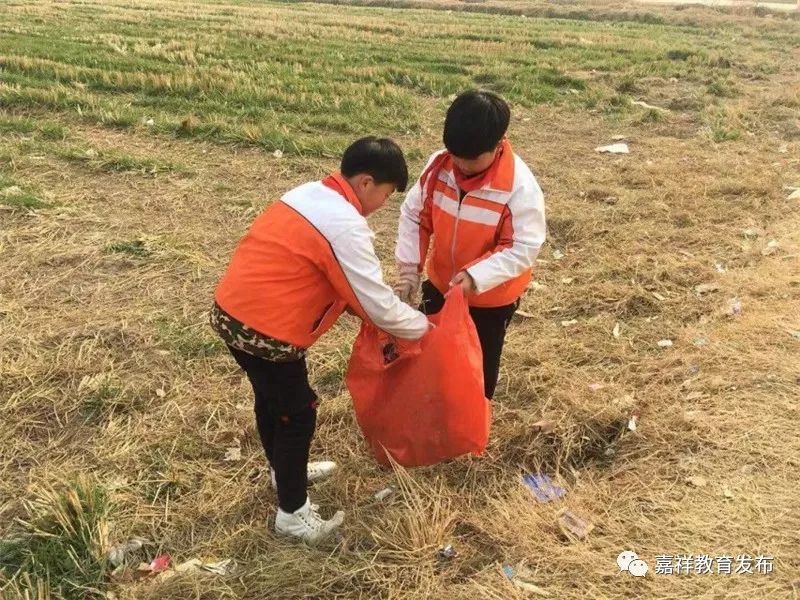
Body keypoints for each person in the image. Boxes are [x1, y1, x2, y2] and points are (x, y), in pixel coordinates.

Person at [211, 137, 429, 544]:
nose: (382, 205)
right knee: (298, 412)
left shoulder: (307, 194)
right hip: (267, 332)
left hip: (232, 313)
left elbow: (334, 281)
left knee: (271, 399)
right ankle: (292, 513)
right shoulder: (344, 223)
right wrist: (425, 330)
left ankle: (283, 471)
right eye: (385, 194)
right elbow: (375, 304)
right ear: (366, 182)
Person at [394, 90, 546, 400]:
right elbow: (415, 215)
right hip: (440, 285)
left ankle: (469, 427)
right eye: (455, 155)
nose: (461, 166)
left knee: (477, 367)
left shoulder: (519, 187)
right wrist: (410, 270)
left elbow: (522, 247)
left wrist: (475, 278)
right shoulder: (440, 167)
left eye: (472, 159)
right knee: (430, 355)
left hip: (490, 299)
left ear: (498, 143)